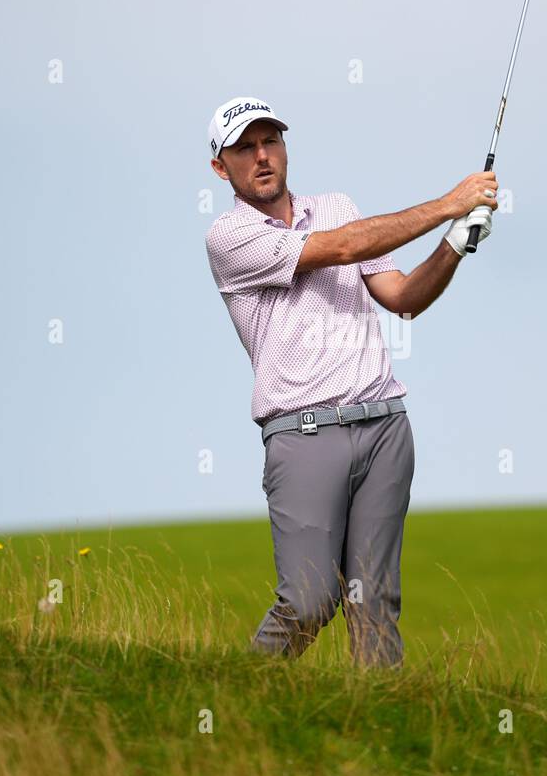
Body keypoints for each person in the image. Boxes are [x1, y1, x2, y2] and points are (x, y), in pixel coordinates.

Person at [203, 95, 498, 667]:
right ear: (221, 167)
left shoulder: (337, 205)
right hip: (303, 434)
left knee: (375, 603)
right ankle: (235, 687)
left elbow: (403, 299)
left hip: (385, 426)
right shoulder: (229, 237)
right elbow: (339, 247)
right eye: (244, 148)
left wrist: (454, 243)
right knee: (310, 599)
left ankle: (382, 727)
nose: (261, 157)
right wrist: (447, 204)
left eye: (271, 142)